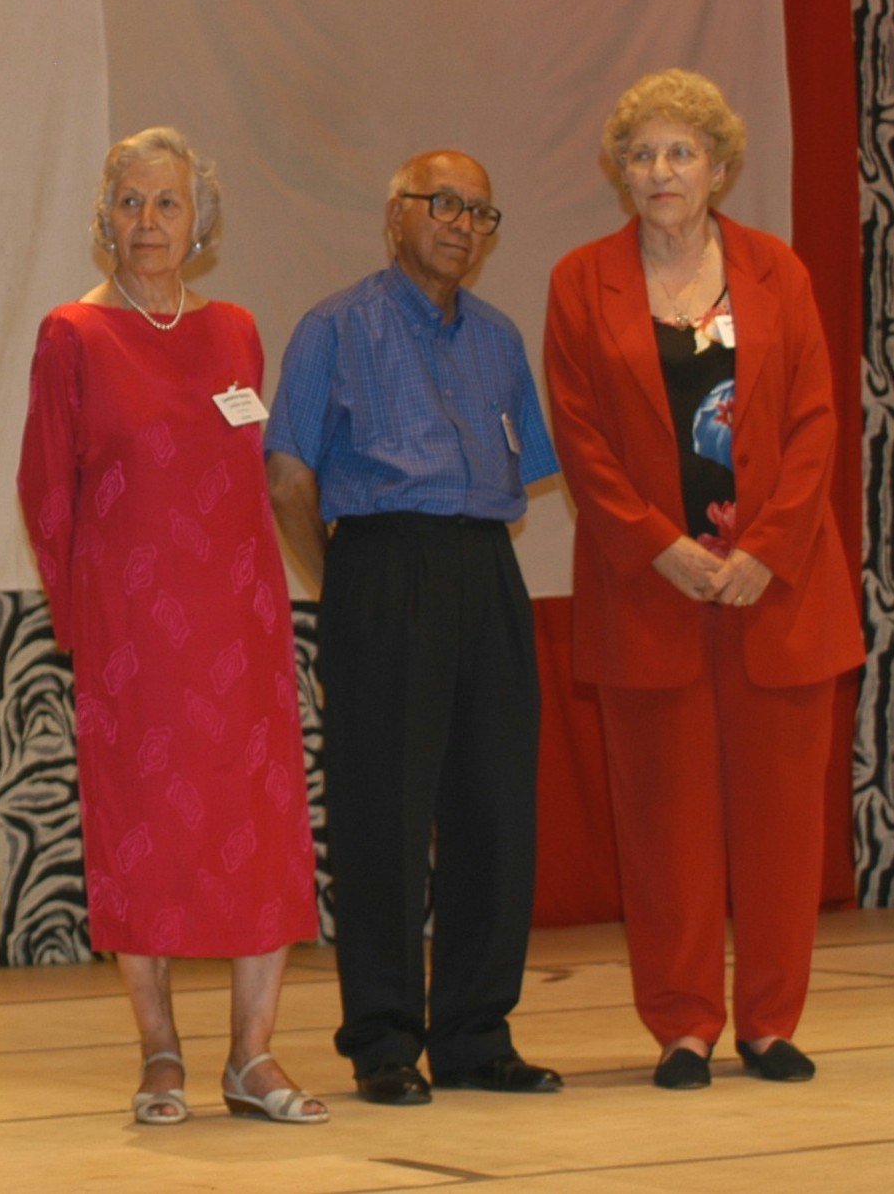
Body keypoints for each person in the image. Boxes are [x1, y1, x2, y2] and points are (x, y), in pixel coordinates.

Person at [543, 70, 864, 1090]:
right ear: (619, 174)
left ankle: (769, 1022)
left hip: (778, 587)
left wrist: (765, 548)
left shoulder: (779, 272)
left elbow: (816, 422)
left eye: (681, 153)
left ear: (720, 168)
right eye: (641, 155)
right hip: (652, 592)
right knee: (664, 826)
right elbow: (581, 442)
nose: (660, 171)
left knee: (778, 822)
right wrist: (660, 546)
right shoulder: (578, 281)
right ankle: (683, 1026)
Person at [16, 128, 326, 1128]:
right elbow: (44, 489)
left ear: (203, 224)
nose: (147, 222)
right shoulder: (73, 334)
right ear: (105, 217)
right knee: (141, 837)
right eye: (130, 203)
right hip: (132, 636)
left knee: (261, 829)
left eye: (167, 204)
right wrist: (80, 625)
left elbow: (256, 476)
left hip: (243, 627)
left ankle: (253, 1055)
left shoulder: (236, 330)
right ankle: (159, 1051)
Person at [266, 150, 563, 1105]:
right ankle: (384, 1042)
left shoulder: (500, 339)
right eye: (443, 204)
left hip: (486, 566)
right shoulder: (333, 327)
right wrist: (341, 586)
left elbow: (530, 473)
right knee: (382, 820)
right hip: (380, 567)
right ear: (395, 215)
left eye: (481, 211)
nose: (462, 225)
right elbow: (286, 476)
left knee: (494, 812)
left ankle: (476, 1035)